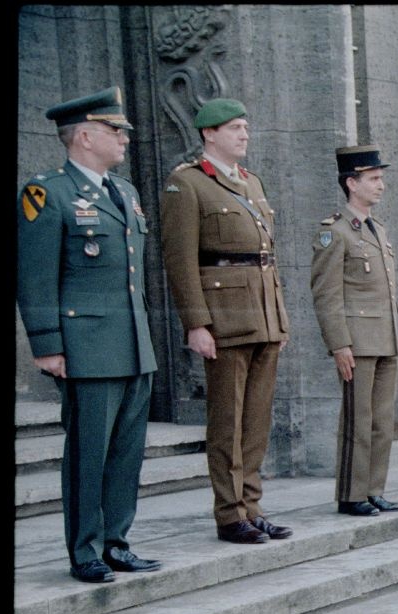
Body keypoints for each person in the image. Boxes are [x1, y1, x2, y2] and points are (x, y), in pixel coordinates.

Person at [17, 86, 160, 583]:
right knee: (88, 454)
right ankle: (85, 550)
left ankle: (117, 541)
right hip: (87, 347)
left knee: (126, 452)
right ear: (83, 136)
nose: (124, 139)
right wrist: (47, 344)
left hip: (132, 343)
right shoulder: (47, 193)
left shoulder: (125, 192)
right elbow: (34, 274)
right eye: (114, 130)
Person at [160, 97, 293, 545]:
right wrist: (196, 323)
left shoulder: (251, 183)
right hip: (224, 317)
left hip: (263, 314)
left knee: (256, 421)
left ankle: (252, 507)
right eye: (234, 127)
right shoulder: (188, 185)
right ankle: (229, 512)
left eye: (245, 127)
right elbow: (180, 261)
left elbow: (265, 258)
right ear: (209, 134)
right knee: (227, 421)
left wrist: (280, 317)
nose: (243, 134)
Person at [311, 144, 398, 516]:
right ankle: (351, 493)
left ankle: (373, 487)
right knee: (357, 420)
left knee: (382, 421)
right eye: (373, 179)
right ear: (352, 183)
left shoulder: (376, 229)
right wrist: (339, 345)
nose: (381, 185)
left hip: (386, 337)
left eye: (381, 178)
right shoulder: (335, 233)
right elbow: (326, 294)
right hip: (358, 342)